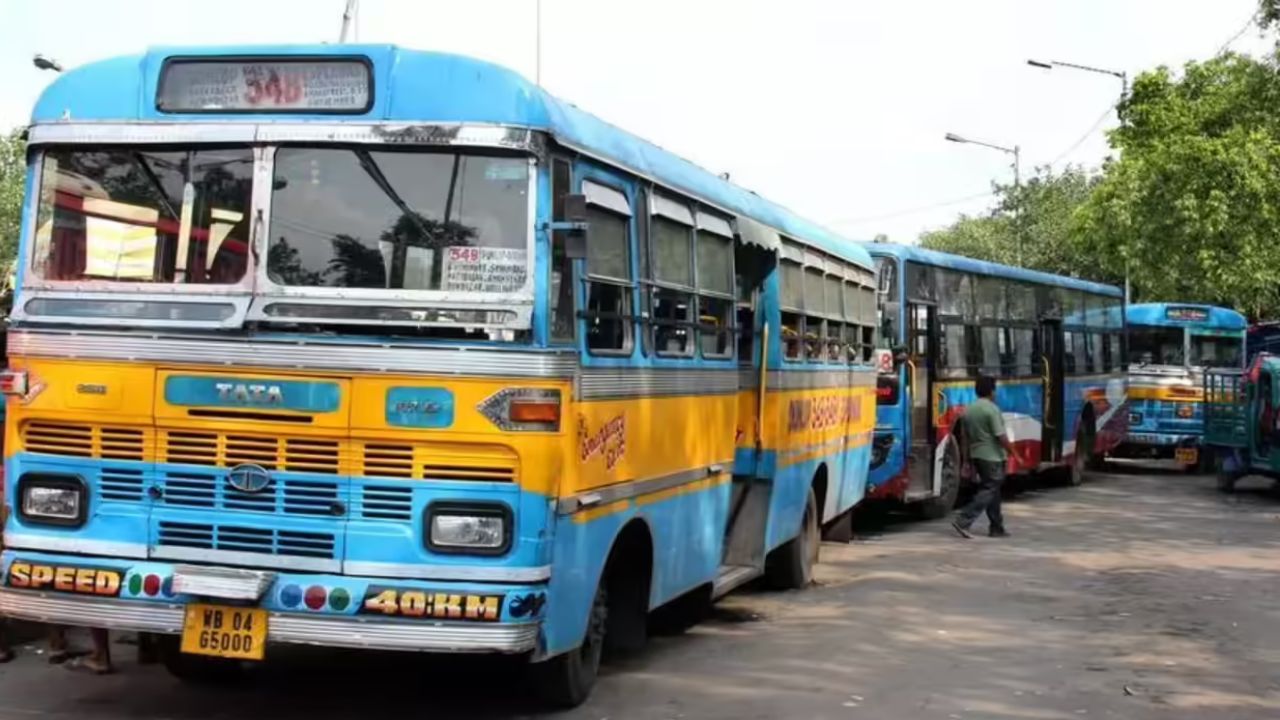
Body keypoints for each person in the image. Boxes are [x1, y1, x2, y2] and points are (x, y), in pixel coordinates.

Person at [952, 375, 1019, 539]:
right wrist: (1015, 454)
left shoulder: (968, 410)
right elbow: (1001, 436)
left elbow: (965, 438)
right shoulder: (992, 409)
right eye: (994, 389)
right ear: (991, 391)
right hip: (993, 457)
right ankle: (964, 519)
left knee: (993, 490)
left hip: (977, 456)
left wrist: (966, 460)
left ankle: (996, 527)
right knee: (989, 489)